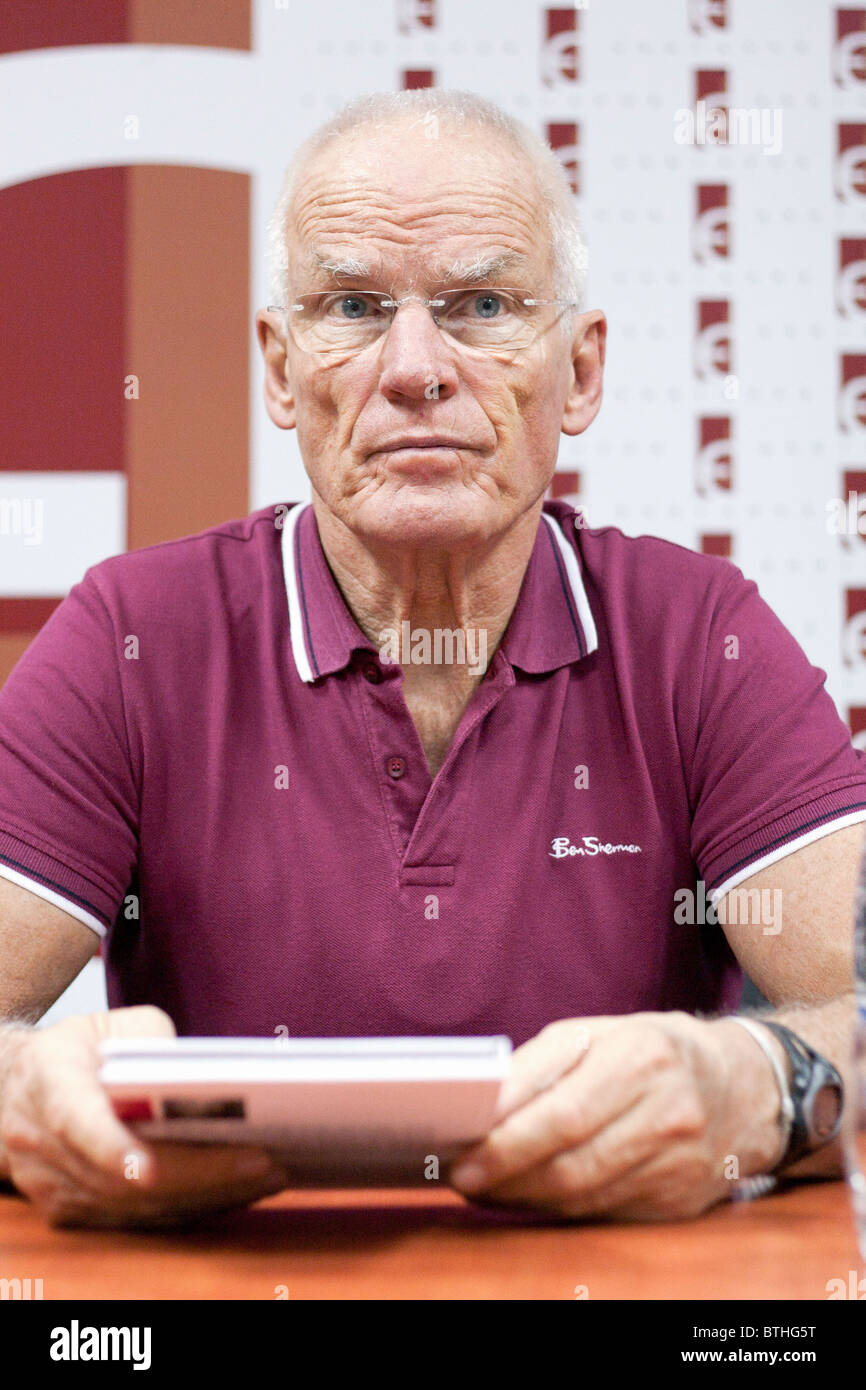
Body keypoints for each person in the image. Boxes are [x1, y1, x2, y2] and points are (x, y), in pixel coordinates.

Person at [0, 90, 863, 1229]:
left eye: (481, 304)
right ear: (277, 367)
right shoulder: (131, 637)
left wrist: (756, 1087)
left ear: (581, 371)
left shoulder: (698, 635)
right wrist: (22, 1094)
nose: (414, 368)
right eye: (353, 305)